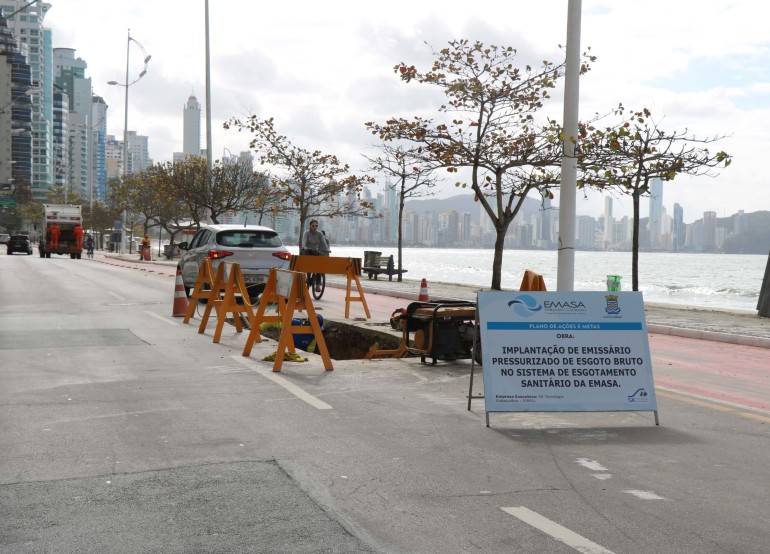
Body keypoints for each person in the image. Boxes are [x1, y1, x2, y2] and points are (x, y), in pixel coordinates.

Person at [301, 220, 330, 292]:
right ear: (310, 226)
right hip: (307, 251)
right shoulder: (306, 233)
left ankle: (317, 284)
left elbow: (324, 243)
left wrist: (327, 250)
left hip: (316, 251)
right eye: (313, 226)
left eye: (316, 226)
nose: (314, 227)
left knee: (319, 267)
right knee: (309, 264)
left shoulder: (320, 234)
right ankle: (308, 277)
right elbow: (303, 242)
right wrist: (305, 247)